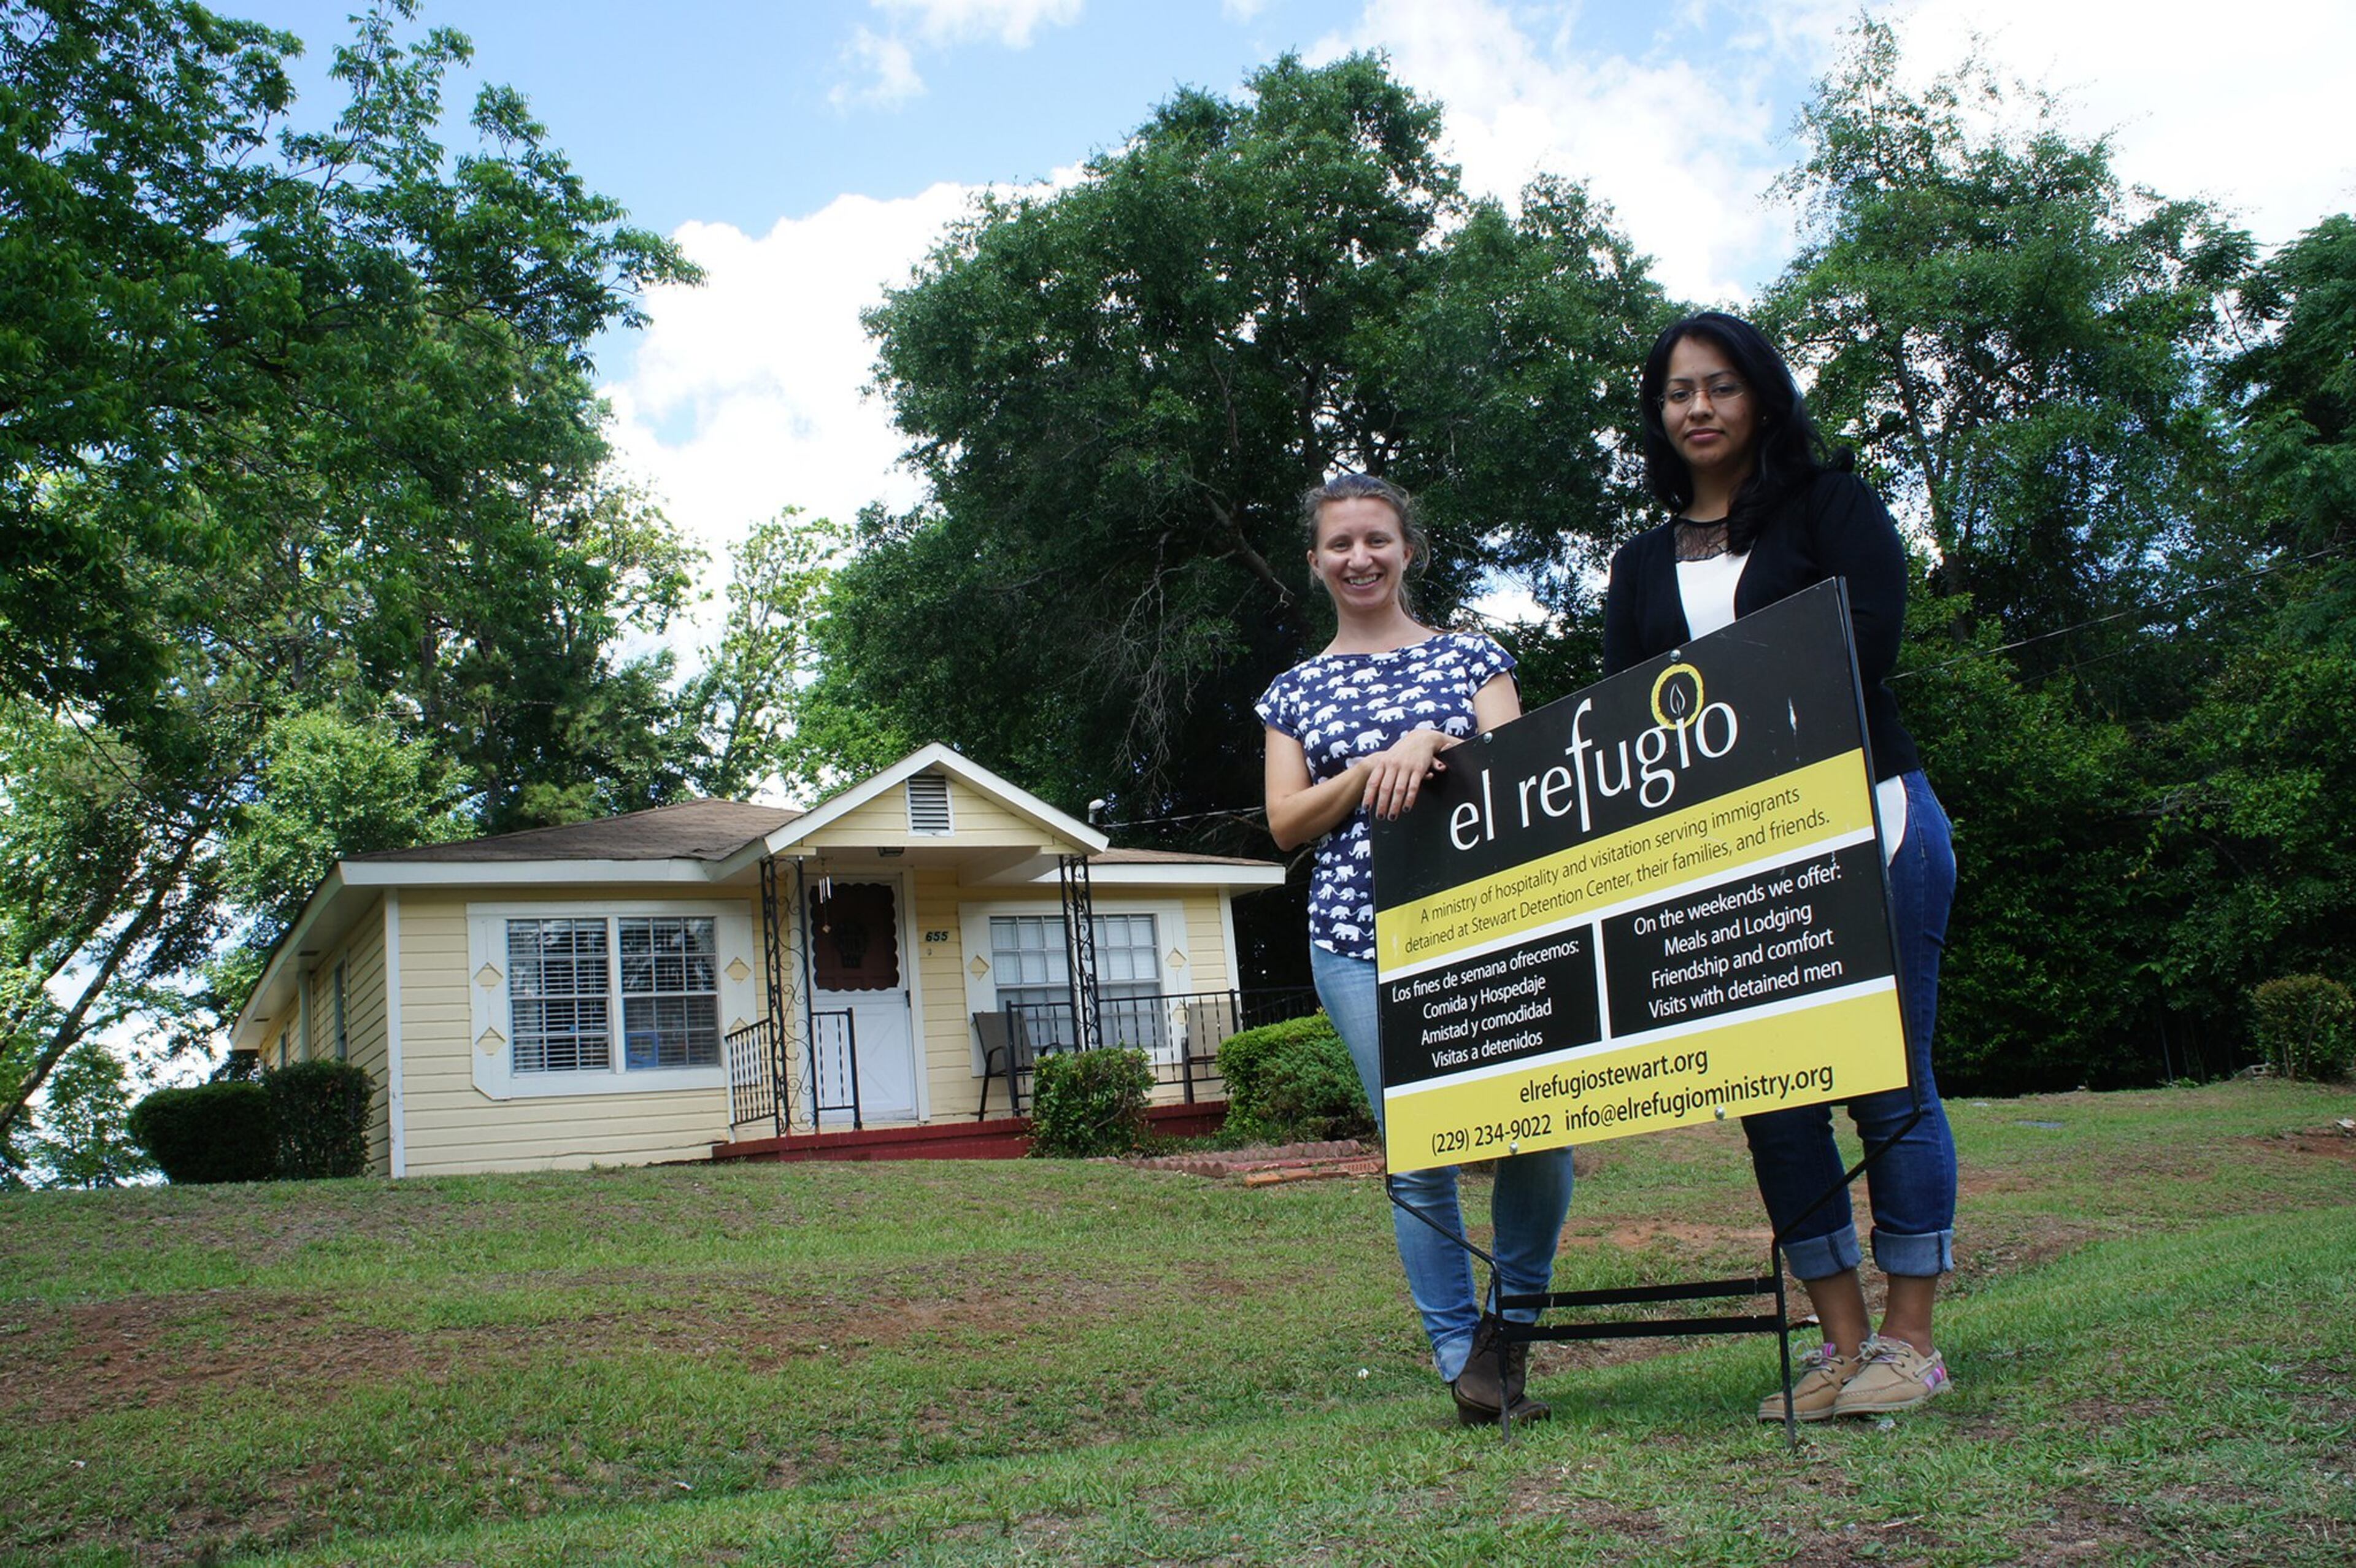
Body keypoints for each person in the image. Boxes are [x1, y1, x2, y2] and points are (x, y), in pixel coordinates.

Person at [1602, 311, 1960, 1422]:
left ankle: (1912, 1342)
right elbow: (1629, 723)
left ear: (1761, 395)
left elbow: (1871, 644)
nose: (1696, 408)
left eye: (1718, 387)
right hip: (1729, 855)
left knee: (1890, 1081)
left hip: (1870, 818)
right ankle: (1841, 1347)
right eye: (1676, 393)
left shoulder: (1832, 506)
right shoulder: (1638, 561)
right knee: (1775, 1098)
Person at [1257, 472, 1574, 1426]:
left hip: (1485, 925)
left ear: (1408, 550)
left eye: (1378, 540)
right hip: (1356, 941)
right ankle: (1458, 1358)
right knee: (1420, 1147)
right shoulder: (1292, 691)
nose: (1361, 558)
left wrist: (1431, 738)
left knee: (1539, 1129)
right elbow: (1284, 824)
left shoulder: (1474, 660)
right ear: (1314, 563)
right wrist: (1367, 769)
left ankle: (1507, 1334)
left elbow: (1519, 772)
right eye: (1341, 544)